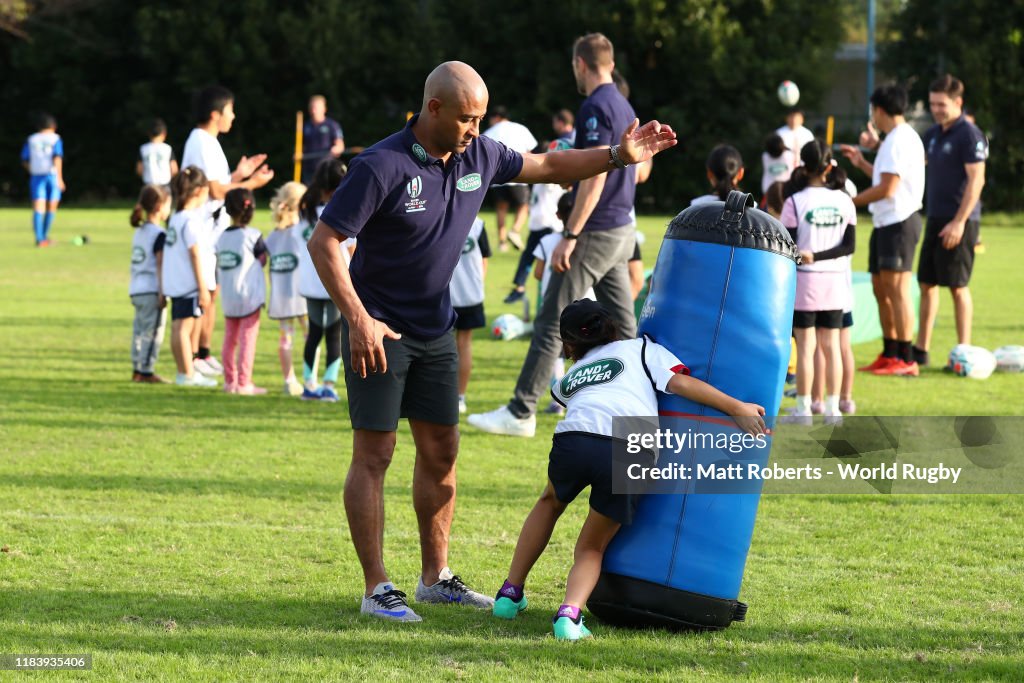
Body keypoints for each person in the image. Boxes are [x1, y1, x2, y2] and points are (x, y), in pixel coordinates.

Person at [306, 58, 675, 622]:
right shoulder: (379, 165)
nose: (476, 129)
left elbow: (549, 164)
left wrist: (616, 156)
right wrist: (357, 319)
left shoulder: (478, 154)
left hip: (435, 329)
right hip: (379, 330)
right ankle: (377, 586)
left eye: (480, 118)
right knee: (375, 454)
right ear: (433, 109)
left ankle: (436, 578)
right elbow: (325, 241)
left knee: (442, 454)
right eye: (466, 119)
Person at [491, 299, 766, 640]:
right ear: (614, 327)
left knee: (549, 503)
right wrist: (736, 407)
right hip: (630, 440)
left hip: (574, 438)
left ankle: (509, 594)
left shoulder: (570, 377)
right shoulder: (642, 348)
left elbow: (570, 397)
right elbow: (682, 384)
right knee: (592, 547)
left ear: (569, 344)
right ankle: (569, 614)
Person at [470, 33, 668, 439]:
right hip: (621, 228)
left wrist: (571, 232)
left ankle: (521, 411)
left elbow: (597, 172)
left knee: (550, 321)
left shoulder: (595, 105)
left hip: (595, 229)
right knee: (625, 329)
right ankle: (644, 409)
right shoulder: (624, 103)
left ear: (580, 64)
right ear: (609, 63)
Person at [181, 85, 275, 379]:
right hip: (204, 232)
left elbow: (221, 183)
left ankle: (203, 353)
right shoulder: (200, 141)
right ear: (215, 114)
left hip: (214, 233)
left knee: (211, 293)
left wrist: (241, 175)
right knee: (204, 295)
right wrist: (251, 186)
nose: (233, 117)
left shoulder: (209, 141)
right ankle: (195, 356)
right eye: (229, 111)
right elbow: (217, 190)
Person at [841, 84, 925, 377]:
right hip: (885, 223)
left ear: (878, 110)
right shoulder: (892, 140)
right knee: (881, 288)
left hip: (900, 222)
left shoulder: (900, 139)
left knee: (898, 290)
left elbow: (888, 189)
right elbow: (886, 180)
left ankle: (906, 357)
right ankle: (890, 352)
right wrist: (862, 162)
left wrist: (849, 201)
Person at [913, 74, 987, 367]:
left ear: (958, 102)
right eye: (932, 104)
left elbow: (976, 180)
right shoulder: (932, 134)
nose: (936, 109)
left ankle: (963, 353)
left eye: (941, 104)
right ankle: (921, 350)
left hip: (961, 220)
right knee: (927, 283)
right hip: (935, 217)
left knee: (957, 286)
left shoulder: (969, 135)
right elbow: (908, 165)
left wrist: (959, 222)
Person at [779, 141, 856, 423]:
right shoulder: (844, 200)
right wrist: (822, 255)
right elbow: (849, 246)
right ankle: (833, 410)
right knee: (831, 347)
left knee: (807, 348)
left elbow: (787, 248)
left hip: (806, 285)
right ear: (828, 166)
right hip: (835, 284)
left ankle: (804, 410)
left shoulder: (794, 202)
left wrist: (810, 256)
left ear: (804, 164)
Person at [298, 159, 352, 402]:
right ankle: (329, 384)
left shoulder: (305, 211)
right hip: (335, 280)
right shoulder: (343, 212)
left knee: (313, 333)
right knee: (333, 334)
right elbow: (353, 250)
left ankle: (309, 383)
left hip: (310, 281)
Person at [161, 167, 217, 388]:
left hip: (176, 283)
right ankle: (188, 374)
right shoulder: (191, 221)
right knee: (185, 330)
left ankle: (183, 371)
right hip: (189, 284)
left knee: (178, 329)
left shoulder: (175, 219)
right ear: (200, 191)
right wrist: (203, 287)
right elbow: (194, 253)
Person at [503, 137, 570, 305]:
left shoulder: (540, 174)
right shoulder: (546, 174)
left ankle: (522, 287)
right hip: (545, 224)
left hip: (543, 223)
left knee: (531, 258)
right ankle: (535, 288)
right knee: (537, 259)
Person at [216, 189, 269, 395]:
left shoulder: (221, 238)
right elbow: (262, 260)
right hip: (249, 298)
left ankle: (230, 382)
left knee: (230, 339)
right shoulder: (253, 236)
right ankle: (244, 383)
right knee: (248, 339)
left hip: (229, 298)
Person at [265, 181, 309, 396]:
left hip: (280, 296)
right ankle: (311, 380)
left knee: (285, 340)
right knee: (311, 337)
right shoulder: (300, 232)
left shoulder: (272, 236)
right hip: (302, 295)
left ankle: (289, 380)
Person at [129, 184, 172, 384]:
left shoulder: (139, 231)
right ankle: (146, 371)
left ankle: (137, 366)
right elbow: (160, 265)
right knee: (152, 331)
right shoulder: (159, 235)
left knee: (139, 330)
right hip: (151, 289)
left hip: (136, 289)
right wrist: (163, 292)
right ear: (159, 206)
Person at [449, 216, 490, 414]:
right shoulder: (478, 223)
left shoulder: (439, 214)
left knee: (437, 345)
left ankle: (446, 395)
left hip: (443, 293)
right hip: (471, 294)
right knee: (464, 344)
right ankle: (459, 397)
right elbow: (484, 261)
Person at [482, 105, 537, 251]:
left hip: (498, 177)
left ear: (496, 117)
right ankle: (515, 231)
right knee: (523, 206)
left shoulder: (488, 133)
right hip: (519, 174)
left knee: (501, 209)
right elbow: (530, 151)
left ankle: (502, 242)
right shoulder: (520, 128)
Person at [21, 112, 65, 247]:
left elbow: (24, 159)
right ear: (53, 126)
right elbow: (57, 157)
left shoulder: (32, 139)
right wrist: (60, 178)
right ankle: (44, 237)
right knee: (52, 206)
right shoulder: (55, 138)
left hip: (36, 176)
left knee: (38, 207)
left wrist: (32, 170)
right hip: (51, 175)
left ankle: (40, 238)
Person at [300, 94, 345, 184]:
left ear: (324, 109)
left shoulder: (332, 125)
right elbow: (301, 146)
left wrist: (337, 148)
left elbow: (340, 145)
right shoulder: (305, 126)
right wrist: (298, 154)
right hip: (309, 170)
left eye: (316, 107)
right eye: (312, 107)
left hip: (326, 170)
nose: (313, 110)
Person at [137, 118, 178, 191]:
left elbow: (139, 169)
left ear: (149, 133)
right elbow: (174, 169)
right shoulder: (167, 149)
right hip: (164, 185)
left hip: (148, 185)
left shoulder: (143, 149)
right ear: (164, 133)